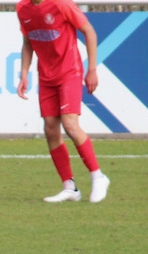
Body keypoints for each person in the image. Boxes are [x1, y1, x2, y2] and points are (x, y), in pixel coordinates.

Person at [16, 0, 110, 203]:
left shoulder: (61, 4)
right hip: (46, 76)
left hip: (69, 72)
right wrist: (24, 74)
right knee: (50, 129)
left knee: (70, 124)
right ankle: (70, 187)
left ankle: (98, 176)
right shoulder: (22, 8)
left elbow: (89, 32)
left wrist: (92, 69)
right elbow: (27, 43)